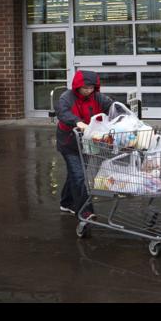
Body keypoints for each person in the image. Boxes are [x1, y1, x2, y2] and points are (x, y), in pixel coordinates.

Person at [54, 69, 117, 220]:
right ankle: (84, 211)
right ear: (77, 86)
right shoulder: (66, 98)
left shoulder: (97, 97)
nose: (88, 91)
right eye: (85, 88)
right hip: (70, 143)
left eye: (91, 88)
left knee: (76, 174)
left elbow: (112, 107)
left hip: (88, 143)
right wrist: (78, 122)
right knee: (80, 176)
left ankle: (66, 202)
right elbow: (62, 113)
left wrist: (122, 116)